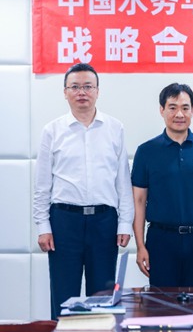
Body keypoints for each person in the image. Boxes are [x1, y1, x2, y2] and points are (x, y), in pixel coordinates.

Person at [33, 63, 134, 319]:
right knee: (63, 296)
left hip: (104, 222)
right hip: (64, 222)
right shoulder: (52, 131)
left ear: (97, 91)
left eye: (88, 86)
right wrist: (43, 226)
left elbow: (123, 181)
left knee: (102, 297)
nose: (82, 92)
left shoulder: (115, 128)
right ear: (65, 92)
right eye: (75, 87)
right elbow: (42, 185)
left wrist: (125, 223)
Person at [131, 83, 193, 287]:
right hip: (161, 240)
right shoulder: (146, 151)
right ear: (162, 110)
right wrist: (140, 245)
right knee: (161, 302)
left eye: (185, 107)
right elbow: (138, 200)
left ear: (192, 110)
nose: (179, 114)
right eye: (172, 107)